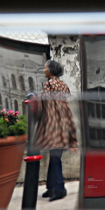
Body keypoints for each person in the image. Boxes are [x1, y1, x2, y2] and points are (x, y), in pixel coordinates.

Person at [34, 60, 78, 201]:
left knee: (55, 159)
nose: (44, 70)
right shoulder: (63, 86)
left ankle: (60, 189)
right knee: (55, 157)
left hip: (53, 126)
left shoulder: (48, 85)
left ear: (51, 70)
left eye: (45, 67)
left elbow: (44, 106)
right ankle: (52, 187)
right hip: (64, 125)